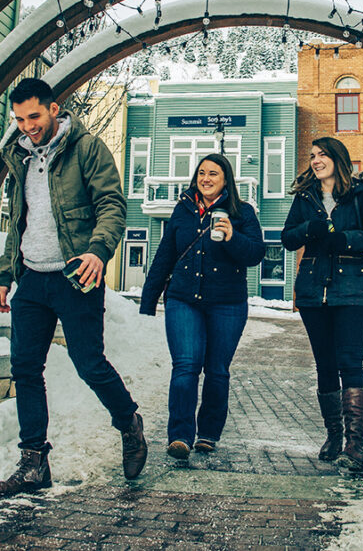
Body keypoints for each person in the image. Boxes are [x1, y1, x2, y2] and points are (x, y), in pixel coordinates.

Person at [0, 78, 147, 497]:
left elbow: (112, 205)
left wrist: (99, 251)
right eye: (19, 118)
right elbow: (17, 221)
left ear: (53, 109)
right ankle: (33, 462)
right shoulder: (18, 156)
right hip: (31, 276)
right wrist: (5, 274)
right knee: (25, 368)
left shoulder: (86, 147)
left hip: (75, 275)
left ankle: (129, 424)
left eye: (34, 116)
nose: (27, 125)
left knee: (89, 363)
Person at [140, 153, 265, 459]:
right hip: (183, 300)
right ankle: (180, 435)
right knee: (185, 367)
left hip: (227, 304)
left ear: (226, 180)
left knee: (217, 370)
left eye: (214, 174)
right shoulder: (182, 210)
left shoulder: (242, 212)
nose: (206, 178)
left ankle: (208, 433)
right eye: (202, 173)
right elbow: (164, 256)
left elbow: (256, 254)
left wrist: (233, 237)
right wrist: (148, 299)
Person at [281, 137, 363, 473]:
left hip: (352, 287)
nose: (315, 160)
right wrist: (308, 228)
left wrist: (345, 239)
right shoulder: (305, 196)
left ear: (338, 159)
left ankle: (354, 446)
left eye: (322, 155)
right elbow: (287, 238)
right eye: (312, 156)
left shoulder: (359, 192)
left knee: (350, 363)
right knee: (325, 365)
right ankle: (333, 436)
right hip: (314, 289)